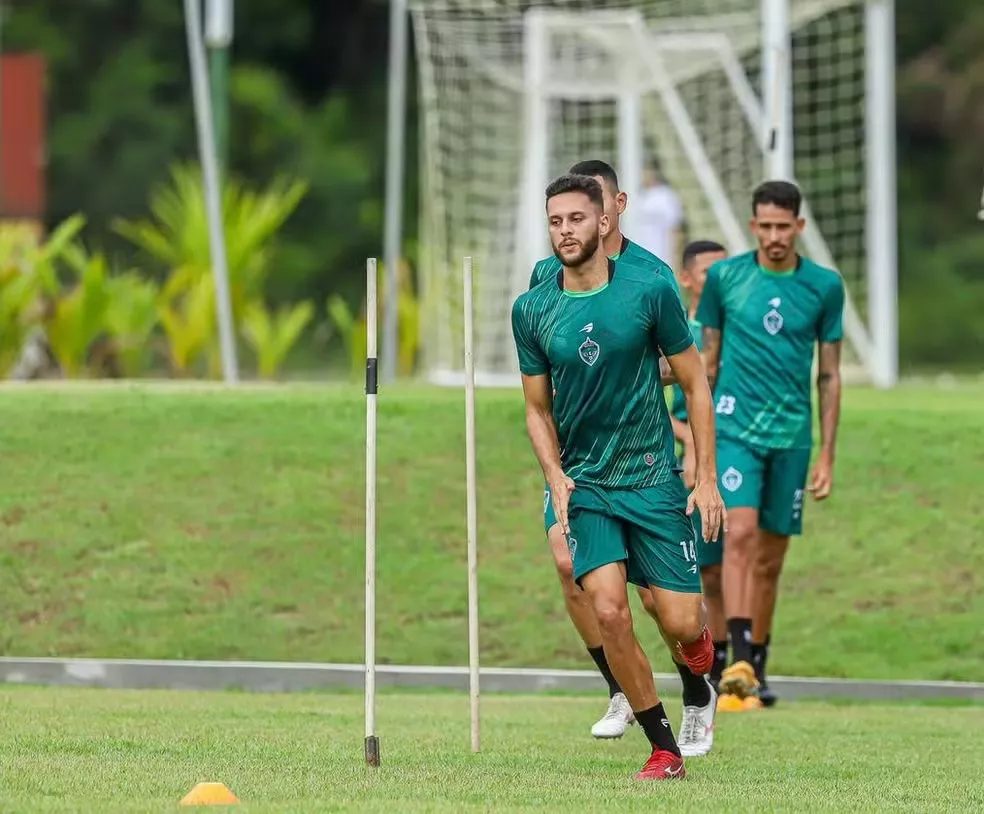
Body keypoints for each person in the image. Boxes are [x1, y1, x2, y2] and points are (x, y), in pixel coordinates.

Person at [512, 173, 726, 780]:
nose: (565, 232)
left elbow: (693, 381)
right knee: (609, 612)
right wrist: (554, 475)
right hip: (588, 488)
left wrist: (704, 477)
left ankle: (698, 659)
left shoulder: (648, 293)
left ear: (603, 221)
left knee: (681, 621)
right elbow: (536, 408)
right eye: (555, 222)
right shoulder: (533, 308)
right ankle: (664, 750)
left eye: (576, 219)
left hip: (653, 480)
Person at [696, 180, 844, 711]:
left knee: (771, 559)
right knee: (741, 533)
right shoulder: (726, 279)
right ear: (753, 225)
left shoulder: (824, 287)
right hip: (735, 430)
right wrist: (700, 444)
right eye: (767, 226)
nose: (776, 236)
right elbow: (705, 366)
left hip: (792, 437)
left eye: (785, 226)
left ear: (799, 227)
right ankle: (733, 662)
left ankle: (754, 665)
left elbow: (829, 375)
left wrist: (826, 451)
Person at [669, 240, 729, 691]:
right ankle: (706, 670)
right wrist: (686, 436)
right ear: (687, 278)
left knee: (727, 565)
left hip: (733, 454)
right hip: (682, 463)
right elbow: (647, 390)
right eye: (710, 271)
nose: (720, 279)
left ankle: (730, 666)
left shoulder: (739, 330)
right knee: (700, 569)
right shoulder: (675, 327)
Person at [632, 159, 684, 267]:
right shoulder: (630, 195)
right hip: (633, 260)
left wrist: (676, 260)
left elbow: (675, 230)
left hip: (659, 259)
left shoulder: (666, 195)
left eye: (648, 171)